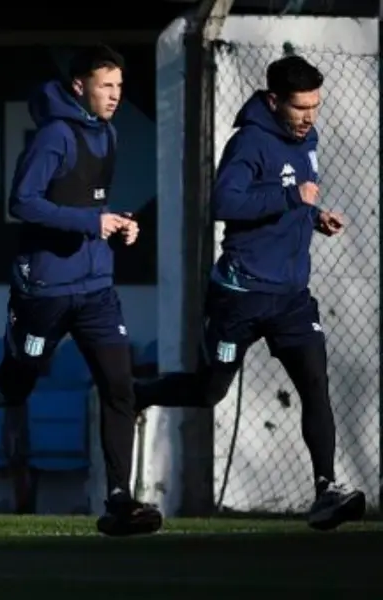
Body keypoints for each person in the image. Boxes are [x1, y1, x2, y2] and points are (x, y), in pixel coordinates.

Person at [0, 45, 161, 537]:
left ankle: (118, 500)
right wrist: (92, 222)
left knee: (119, 388)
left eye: (119, 87)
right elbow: (23, 202)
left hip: (96, 289)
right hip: (44, 288)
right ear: (78, 86)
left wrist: (120, 225)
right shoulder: (54, 136)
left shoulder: (107, 134)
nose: (115, 95)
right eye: (105, 86)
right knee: (15, 385)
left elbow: (92, 203)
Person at [132, 55, 365, 530]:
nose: (309, 118)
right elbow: (225, 202)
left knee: (314, 383)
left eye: (315, 107)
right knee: (209, 390)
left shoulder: (308, 139)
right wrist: (290, 200)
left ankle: (326, 490)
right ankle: (136, 393)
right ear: (275, 100)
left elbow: (293, 200)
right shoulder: (249, 143)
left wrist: (314, 218)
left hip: (292, 297)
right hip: (240, 295)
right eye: (300, 108)